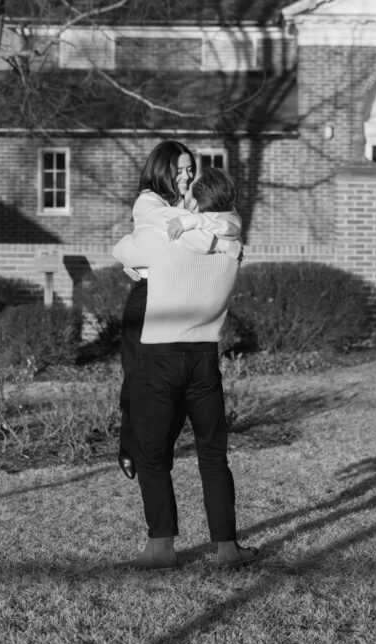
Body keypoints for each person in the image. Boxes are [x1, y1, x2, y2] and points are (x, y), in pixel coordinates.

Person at [112, 166, 258, 570]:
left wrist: (153, 245)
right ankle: (228, 549)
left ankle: (161, 547)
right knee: (213, 456)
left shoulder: (164, 240)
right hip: (205, 359)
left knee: (152, 454)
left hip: (159, 357)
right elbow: (222, 230)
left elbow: (121, 250)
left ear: (193, 202)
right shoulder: (235, 247)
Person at [116, 141, 241, 482]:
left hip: (171, 292)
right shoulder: (149, 202)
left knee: (170, 393)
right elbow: (166, 238)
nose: (186, 176)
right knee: (140, 379)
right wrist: (200, 227)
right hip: (147, 301)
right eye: (179, 170)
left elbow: (227, 222)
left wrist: (199, 226)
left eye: (190, 170)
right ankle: (130, 446)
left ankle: (156, 452)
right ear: (162, 170)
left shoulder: (183, 202)